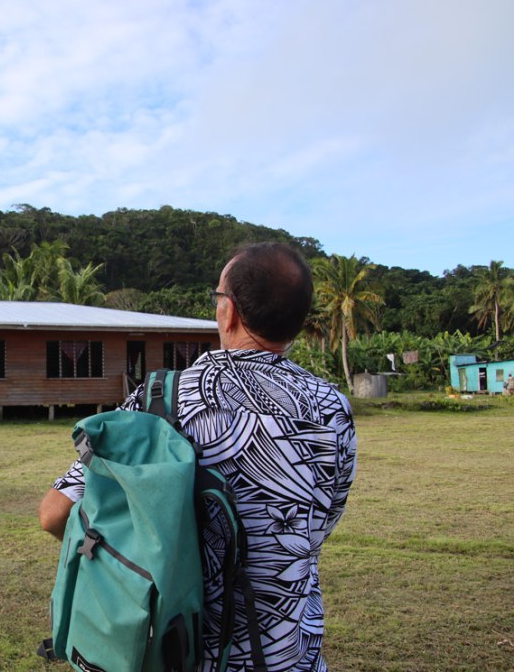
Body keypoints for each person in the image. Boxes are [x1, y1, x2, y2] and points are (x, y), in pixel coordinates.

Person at [39, 242, 358, 672]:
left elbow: (55, 513)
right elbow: (320, 523)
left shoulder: (161, 401)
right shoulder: (332, 409)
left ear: (230, 311)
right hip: (290, 655)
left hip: (179, 653)